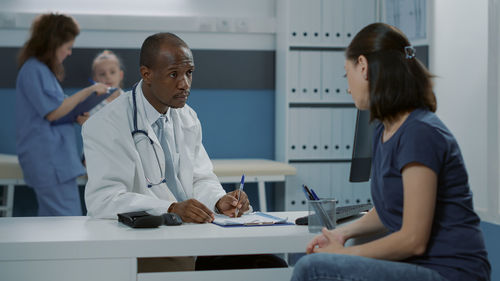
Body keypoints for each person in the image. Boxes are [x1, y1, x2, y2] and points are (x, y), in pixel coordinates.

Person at [292, 23, 490, 281]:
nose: (348, 87)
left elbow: (413, 240)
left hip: (450, 272)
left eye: (346, 74)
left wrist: (342, 255)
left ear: (362, 66)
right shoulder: (383, 129)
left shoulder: (420, 132)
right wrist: (343, 234)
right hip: (419, 267)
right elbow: (388, 211)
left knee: (313, 269)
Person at [83, 33, 288, 271]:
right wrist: (170, 208)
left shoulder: (186, 117)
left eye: (189, 73)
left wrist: (219, 201)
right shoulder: (107, 123)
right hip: (145, 244)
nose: (184, 84)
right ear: (146, 74)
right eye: (173, 74)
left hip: (195, 236)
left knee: (270, 266)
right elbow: (104, 200)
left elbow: (201, 178)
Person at [16, 13, 108, 216]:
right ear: (53, 44)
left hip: (54, 160)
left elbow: (58, 109)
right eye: (67, 47)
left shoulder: (41, 72)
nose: (69, 53)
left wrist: (75, 114)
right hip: (49, 160)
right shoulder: (35, 70)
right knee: (64, 223)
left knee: (53, 222)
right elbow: (52, 113)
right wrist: (88, 91)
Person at [88, 50, 125, 116]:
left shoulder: (130, 100)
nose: (108, 77)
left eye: (112, 72)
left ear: (120, 75)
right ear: (95, 79)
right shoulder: (91, 105)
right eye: (102, 74)